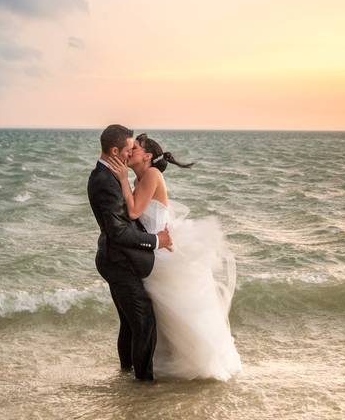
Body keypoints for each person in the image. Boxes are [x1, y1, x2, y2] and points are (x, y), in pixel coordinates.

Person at [103, 133, 242, 381]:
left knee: (161, 314)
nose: (130, 151)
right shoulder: (141, 177)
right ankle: (147, 366)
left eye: (135, 148)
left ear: (146, 157)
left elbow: (134, 212)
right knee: (149, 316)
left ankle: (163, 370)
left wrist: (123, 180)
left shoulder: (152, 175)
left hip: (160, 252)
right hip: (151, 248)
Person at [87, 125, 173, 381]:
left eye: (134, 149)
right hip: (120, 260)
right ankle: (143, 385)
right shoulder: (106, 180)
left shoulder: (113, 175)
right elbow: (120, 231)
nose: (129, 154)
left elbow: (127, 218)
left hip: (124, 259)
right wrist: (156, 240)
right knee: (143, 322)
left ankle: (127, 375)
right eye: (128, 149)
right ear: (115, 151)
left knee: (131, 322)